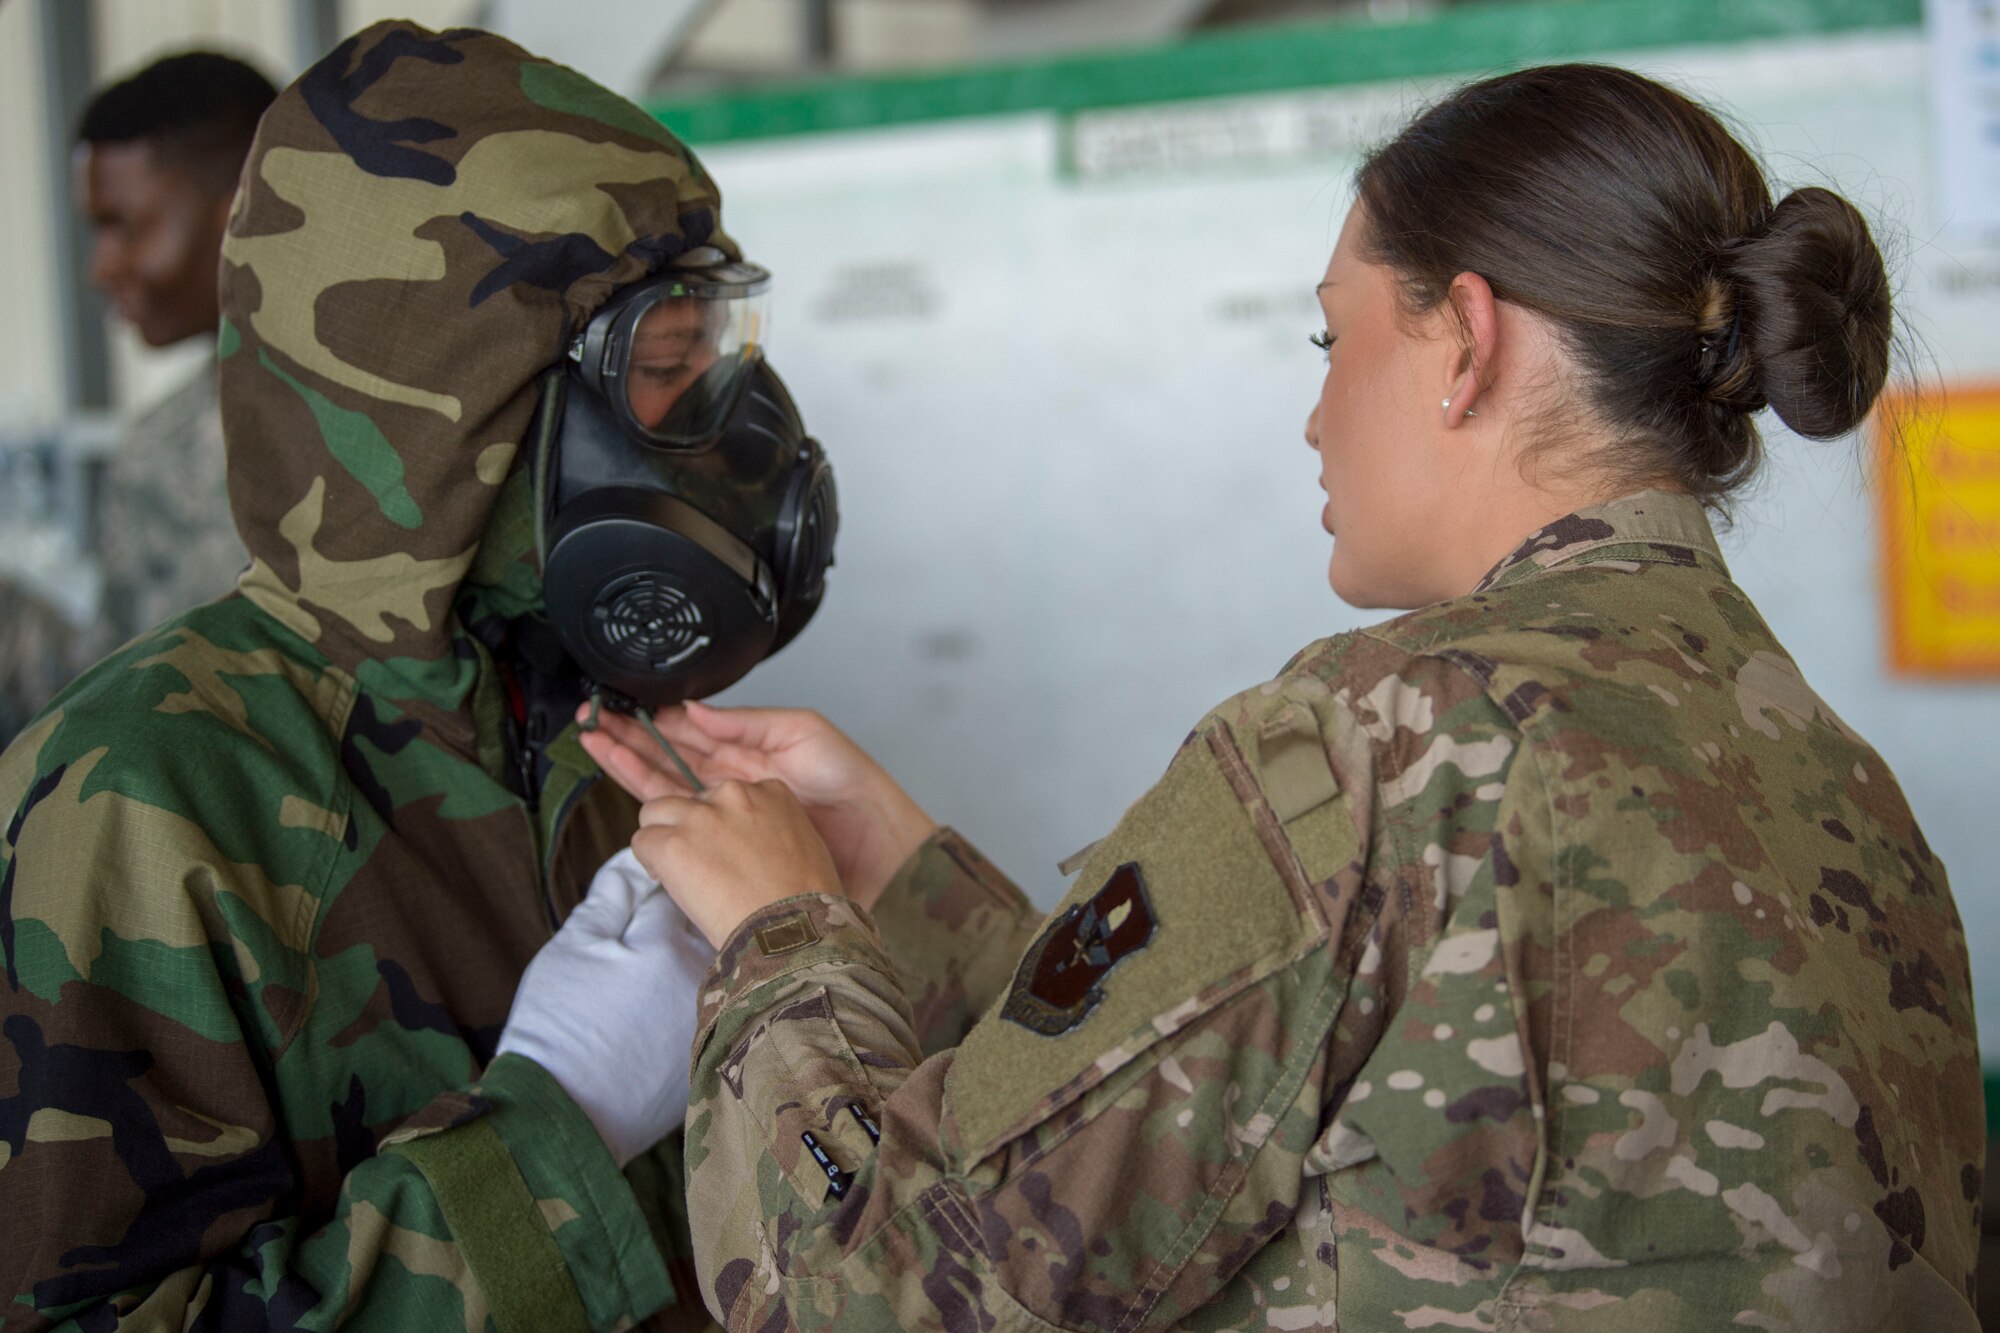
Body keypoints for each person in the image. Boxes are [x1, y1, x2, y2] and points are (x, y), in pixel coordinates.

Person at [578, 64, 1985, 1331]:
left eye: (1333, 342)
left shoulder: (1386, 738)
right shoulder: (1842, 790)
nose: (1317, 413)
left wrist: (782, 934)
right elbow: (1300, 1100)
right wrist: (906, 879)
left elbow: (876, 1293)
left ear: (1466, 344)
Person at [0, 22, 1008, 1332]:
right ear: (456, 419)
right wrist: (557, 1121)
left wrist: (877, 913)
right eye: (664, 374)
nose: (734, 438)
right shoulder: (132, 800)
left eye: (718, 361)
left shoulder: (612, 737)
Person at [0, 53, 276, 744]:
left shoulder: (195, 441)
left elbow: (137, 715)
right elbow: (119, 674)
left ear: (239, 210)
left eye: (125, 225)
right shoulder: (170, 432)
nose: (101, 267)